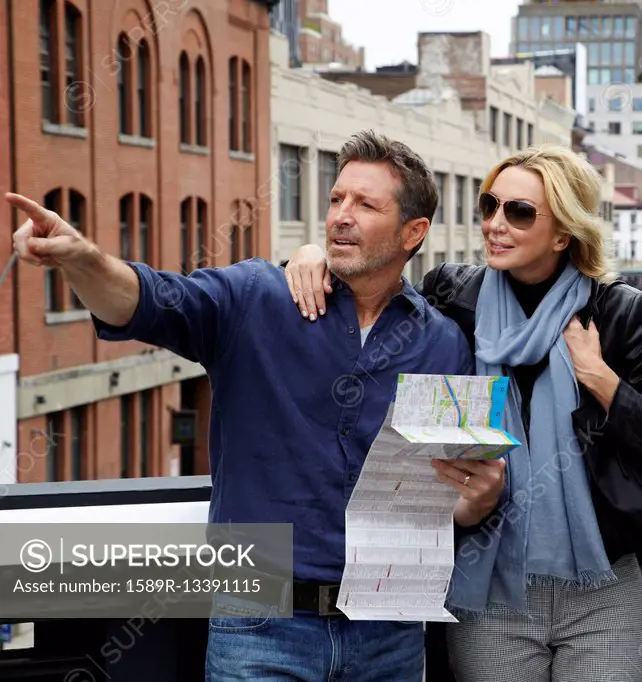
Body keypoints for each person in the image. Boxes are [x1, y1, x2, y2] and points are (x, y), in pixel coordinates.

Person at [6, 129, 506, 682]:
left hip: (391, 631)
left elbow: (439, 494)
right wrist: (83, 261)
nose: (341, 215)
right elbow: (148, 300)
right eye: (337, 198)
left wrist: (474, 504)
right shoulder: (256, 297)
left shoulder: (444, 343)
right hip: (261, 625)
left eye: (366, 204)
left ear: (414, 232)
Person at [283, 146, 642, 681]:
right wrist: (307, 257)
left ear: (563, 232)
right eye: (490, 206)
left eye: (520, 212)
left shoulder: (618, 313)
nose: (496, 224)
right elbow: (368, 297)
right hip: (488, 586)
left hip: (600, 586)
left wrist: (601, 379)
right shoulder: (453, 298)